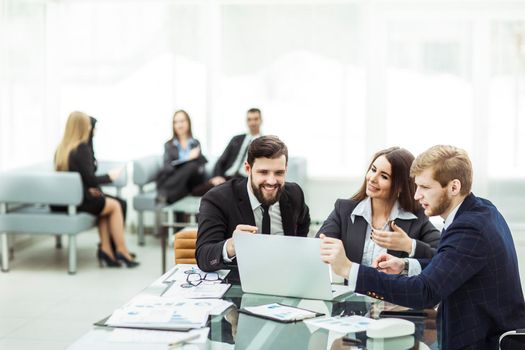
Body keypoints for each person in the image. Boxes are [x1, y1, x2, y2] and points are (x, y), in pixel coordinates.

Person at [320, 145, 525, 349]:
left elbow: (424, 292)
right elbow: (450, 265)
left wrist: (349, 269)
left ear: (454, 187)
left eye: (425, 188)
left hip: (482, 343)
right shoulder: (478, 210)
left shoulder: (469, 228)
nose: (417, 195)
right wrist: (406, 266)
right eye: (416, 186)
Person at [196, 135, 311, 272]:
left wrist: (294, 255)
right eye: (263, 172)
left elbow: (303, 224)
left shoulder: (294, 193)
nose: (272, 181)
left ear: (286, 169)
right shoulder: (217, 199)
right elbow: (203, 257)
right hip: (240, 281)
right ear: (248, 169)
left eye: (279, 173)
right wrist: (232, 245)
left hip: (284, 276)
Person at [317, 147, 440, 267]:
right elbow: (316, 248)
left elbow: (442, 256)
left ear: (400, 186)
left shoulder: (416, 218)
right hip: (348, 287)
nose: (373, 178)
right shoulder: (344, 210)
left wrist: (409, 245)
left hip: (390, 288)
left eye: (384, 176)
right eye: (373, 169)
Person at [54, 111, 138, 268]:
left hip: (66, 199)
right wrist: (108, 177)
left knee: (105, 206)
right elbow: (90, 178)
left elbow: (76, 177)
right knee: (115, 205)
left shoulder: (62, 149)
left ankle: (106, 250)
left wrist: (90, 189)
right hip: (79, 199)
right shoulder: (81, 148)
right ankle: (121, 249)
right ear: (82, 127)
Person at [155, 110, 207, 204]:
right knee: (189, 166)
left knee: (192, 166)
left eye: (182, 121)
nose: (179, 125)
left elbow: (200, 169)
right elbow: (167, 168)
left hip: (191, 181)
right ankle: (176, 194)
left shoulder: (195, 143)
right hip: (175, 180)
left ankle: (166, 194)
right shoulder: (169, 145)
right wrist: (188, 158)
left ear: (188, 123)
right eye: (176, 122)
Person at [208, 108, 263, 187]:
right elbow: (222, 159)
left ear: (261, 120)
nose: (252, 123)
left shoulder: (265, 143)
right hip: (227, 177)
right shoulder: (236, 139)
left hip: (245, 179)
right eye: (249, 119)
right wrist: (217, 176)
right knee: (197, 190)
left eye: (256, 119)